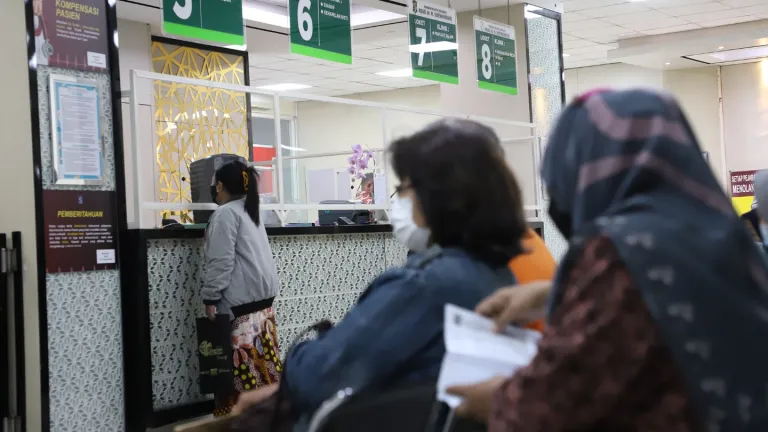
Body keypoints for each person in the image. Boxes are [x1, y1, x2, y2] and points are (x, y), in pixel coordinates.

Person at [448, 89, 768, 431]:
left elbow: (552, 404)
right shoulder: (719, 232)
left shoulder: (624, 248)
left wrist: (498, 401)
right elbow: (675, 303)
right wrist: (552, 294)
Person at [232, 119, 529, 423]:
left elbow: (317, 376)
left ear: (436, 197)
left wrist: (303, 354)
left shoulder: (421, 286)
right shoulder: (499, 278)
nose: (399, 200)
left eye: (403, 188)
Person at [204, 159, 282, 416]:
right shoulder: (250, 210)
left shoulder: (225, 214)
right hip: (263, 313)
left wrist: (210, 298)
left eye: (214, 184)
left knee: (239, 383)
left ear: (220, 186)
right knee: (265, 377)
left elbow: (221, 261)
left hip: (240, 313)